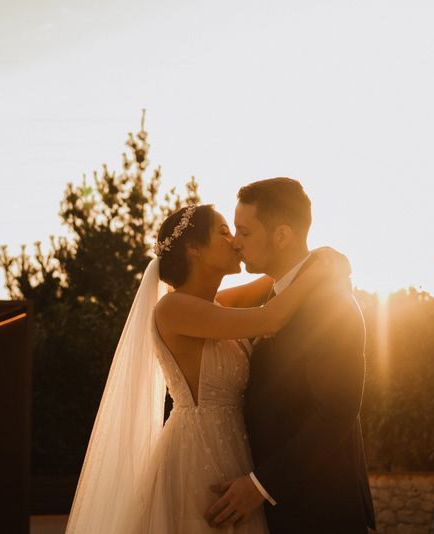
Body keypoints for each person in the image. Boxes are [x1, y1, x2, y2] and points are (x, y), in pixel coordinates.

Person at [64, 202, 348, 533]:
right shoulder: (172, 309)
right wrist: (322, 269)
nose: (235, 242)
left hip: (235, 449)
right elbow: (271, 317)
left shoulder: (216, 306)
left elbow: (279, 285)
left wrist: (319, 258)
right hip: (196, 456)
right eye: (224, 232)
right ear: (194, 248)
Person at [205, 177, 376, 533]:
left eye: (244, 232)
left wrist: (260, 485)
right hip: (287, 512)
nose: (236, 242)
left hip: (324, 512)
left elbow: (337, 412)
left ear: (281, 236)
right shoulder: (274, 297)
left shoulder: (331, 305)